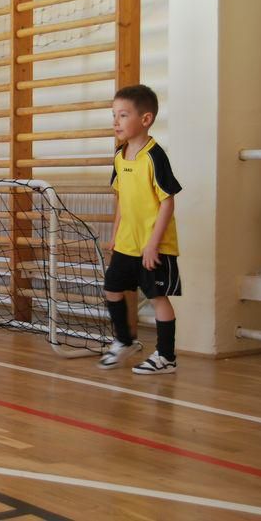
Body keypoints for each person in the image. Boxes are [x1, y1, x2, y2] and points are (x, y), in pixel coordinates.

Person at [99, 84, 182, 374]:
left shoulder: (154, 156)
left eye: (123, 115)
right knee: (111, 289)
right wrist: (115, 236)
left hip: (153, 245)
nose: (116, 121)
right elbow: (122, 200)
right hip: (127, 243)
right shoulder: (119, 156)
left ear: (145, 119)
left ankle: (166, 357)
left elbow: (167, 203)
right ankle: (124, 341)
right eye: (114, 115)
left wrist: (153, 244)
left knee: (158, 297)